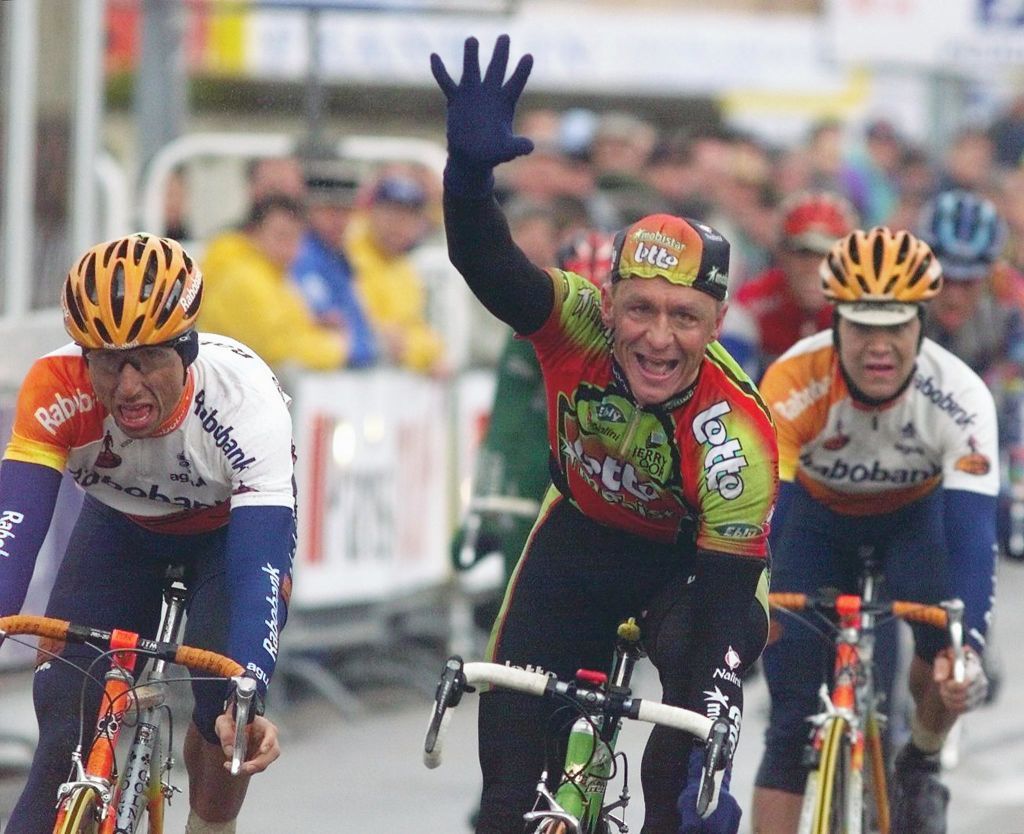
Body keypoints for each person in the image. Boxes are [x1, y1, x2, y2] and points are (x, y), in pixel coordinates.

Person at [431, 35, 778, 834]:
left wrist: (711, 707)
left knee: (677, 782)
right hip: (580, 543)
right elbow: (488, 265)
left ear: (717, 323)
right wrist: (468, 180)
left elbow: (729, 604)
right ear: (608, 299)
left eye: (685, 318)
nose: (659, 338)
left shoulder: (736, 435)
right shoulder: (573, 322)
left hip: (696, 577)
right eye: (641, 309)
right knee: (507, 798)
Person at [0, 233, 296, 834]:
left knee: (225, 713)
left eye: (150, 358)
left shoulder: (245, 401)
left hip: (226, 540)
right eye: (108, 362)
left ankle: (211, 825)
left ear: (185, 351)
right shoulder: (56, 387)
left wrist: (251, 684)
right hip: (120, 530)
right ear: (85, 358)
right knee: (65, 726)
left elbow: (260, 564)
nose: (128, 386)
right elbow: (15, 528)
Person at [750, 227, 996, 834]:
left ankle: (923, 759)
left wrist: (965, 648)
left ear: (923, 324)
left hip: (916, 523)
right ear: (835, 324)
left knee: (945, 655)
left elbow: (970, 539)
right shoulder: (791, 382)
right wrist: (749, 602)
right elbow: (761, 517)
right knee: (789, 723)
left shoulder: (959, 396)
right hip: (813, 522)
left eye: (897, 328)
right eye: (863, 327)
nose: (879, 348)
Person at [200, 194, 353, 371]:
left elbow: (292, 333)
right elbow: (274, 348)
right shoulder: (243, 279)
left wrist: (318, 329)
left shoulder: (277, 277)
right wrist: (335, 348)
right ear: (254, 233)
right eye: (281, 235)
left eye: (295, 237)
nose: (289, 247)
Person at [719, 191, 857, 379]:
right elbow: (725, 383)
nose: (814, 267)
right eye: (803, 253)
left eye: (827, 254)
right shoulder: (752, 304)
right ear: (781, 254)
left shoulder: (859, 306)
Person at [344, 170, 446, 374]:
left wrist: (414, 350)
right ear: (371, 212)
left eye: (408, 217)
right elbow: (375, 331)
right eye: (390, 213)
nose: (398, 225)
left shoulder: (405, 269)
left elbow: (423, 338)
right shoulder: (349, 254)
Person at [291, 156, 378, 367]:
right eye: (329, 210)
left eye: (345, 211)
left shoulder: (342, 258)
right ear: (309, 211)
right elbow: (330, 322)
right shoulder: (299, 257)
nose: (339, 220)